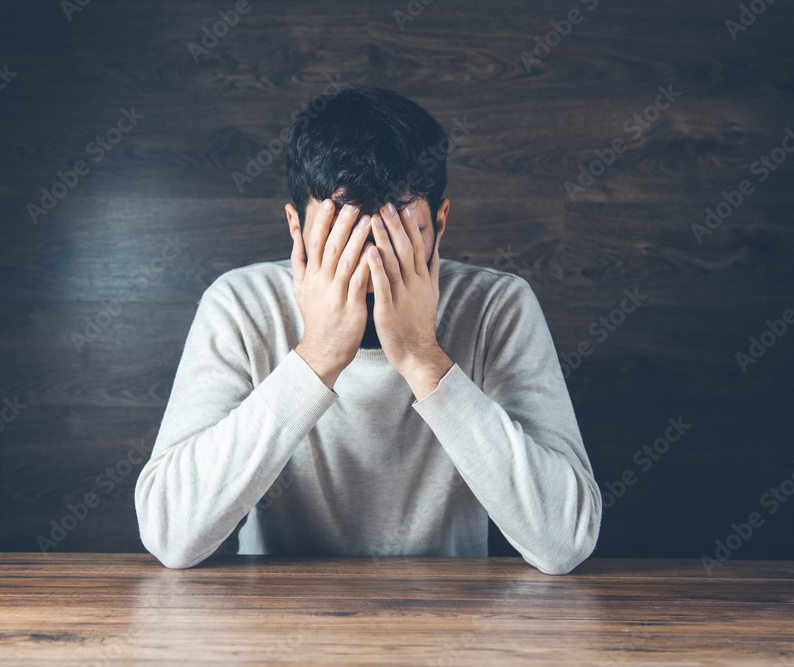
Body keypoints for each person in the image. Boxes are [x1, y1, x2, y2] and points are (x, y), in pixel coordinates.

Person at [134, 86, 601, 575]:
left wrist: (423, 357)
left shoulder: (497, 308)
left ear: (440, 224)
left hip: (454, 622)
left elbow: (564, 541)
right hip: (277, 623)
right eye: (345, 234)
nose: (373, 261)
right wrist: (318, 355)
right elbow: (172, 535)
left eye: (398, 233)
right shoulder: (242, 306)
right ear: (296, 228)